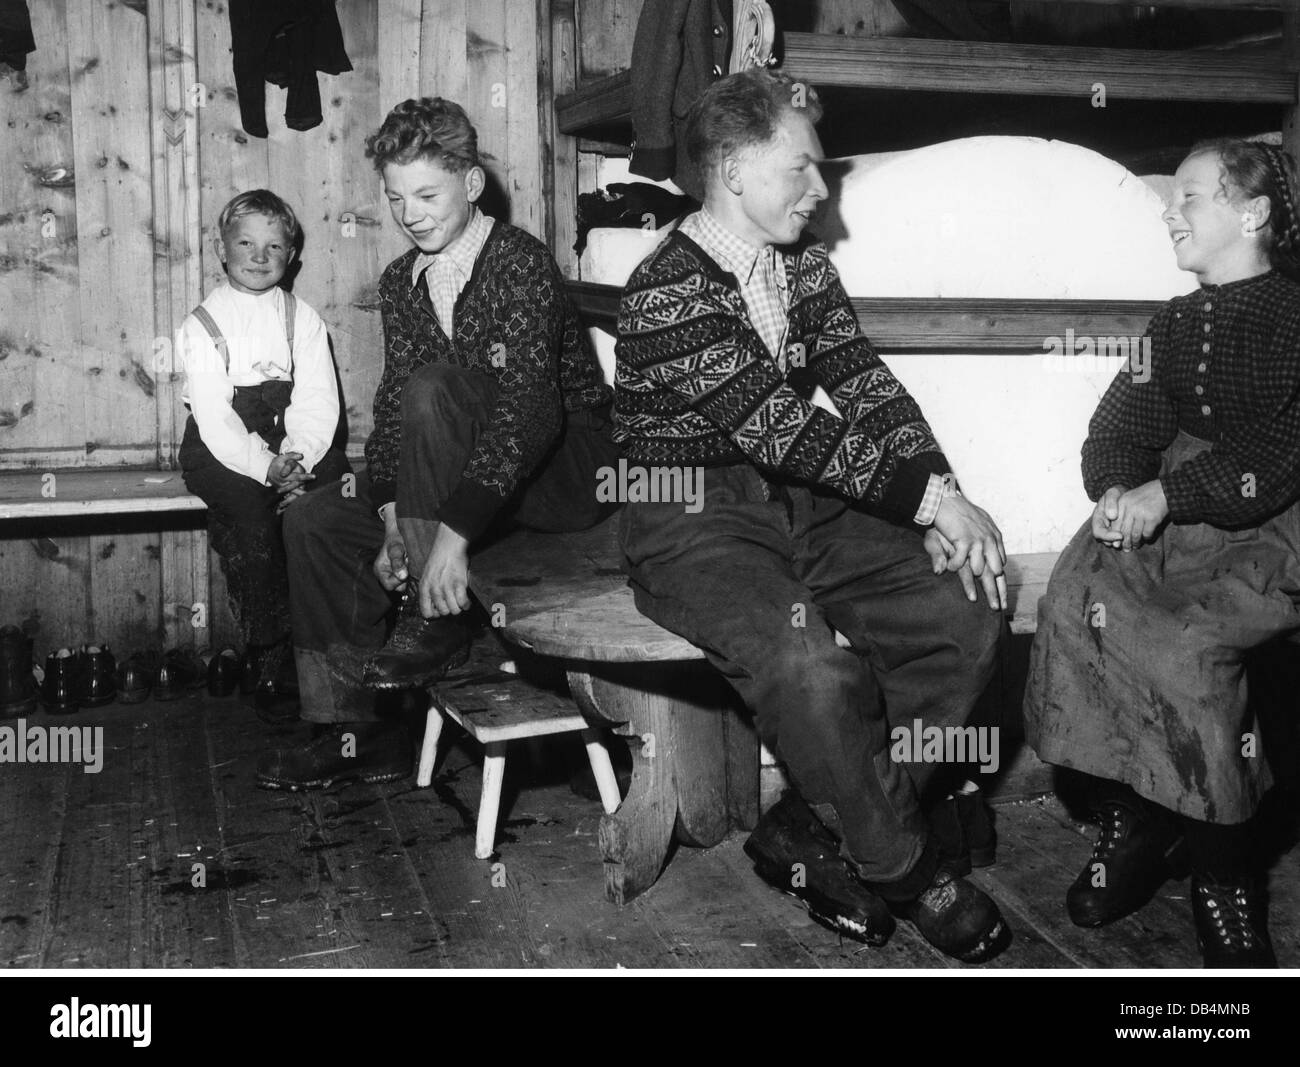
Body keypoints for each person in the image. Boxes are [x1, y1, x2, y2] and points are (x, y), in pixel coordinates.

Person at [615, 68, 1011, 962]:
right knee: (810, 664)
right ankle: (906, 871)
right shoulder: (665, 289)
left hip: (800, 498)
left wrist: (944, 493)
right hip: (689, 511)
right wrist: (928, 499)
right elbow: (781, 425)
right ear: (730, 167)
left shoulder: (804, 269)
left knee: (968, 608)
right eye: (800, 168)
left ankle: (816, 820)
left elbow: (866, 388)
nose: (820, 188)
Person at [256, 97, 616, 790]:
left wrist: (448, 539)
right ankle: (358, 729)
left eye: (427, 193)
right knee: (315, 518)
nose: (410, 212)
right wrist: (393, 518)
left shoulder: (519, 262)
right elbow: (393, 412)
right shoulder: (401, 281)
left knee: (436, 388)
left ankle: (435, 615)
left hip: (570, 466)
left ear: (472, 185)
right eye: (395, 197)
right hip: (466, 471)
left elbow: (531, 410)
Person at [1024, 138, 1300, 967]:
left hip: (1270, 524)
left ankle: (1223, 871)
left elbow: (1284, 449)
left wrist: (1168, 496)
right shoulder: (1176, 320)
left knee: (1188, 650)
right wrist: (1114, 485)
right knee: (1072, 602)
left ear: (1252, 214)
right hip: (1170, 517)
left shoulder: (1295, 315)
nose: (1169, 211)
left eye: (1190, 197)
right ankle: (1137, 818)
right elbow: (1120, 425)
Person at [178, 189, 349, 720]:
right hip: (221, 447)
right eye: (246, 243)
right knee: (252, 519)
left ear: (291, 257)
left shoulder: (304, 319)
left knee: (332, 502)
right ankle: (268, 650)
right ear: (221, 249)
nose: (259, 256)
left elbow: (317, 399)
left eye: (273, 247)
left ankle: (332, 649)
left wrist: (299, 456)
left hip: (291, 437)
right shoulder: (202, 324)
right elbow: (215, 416)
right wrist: (263, 466)